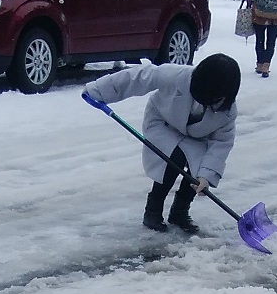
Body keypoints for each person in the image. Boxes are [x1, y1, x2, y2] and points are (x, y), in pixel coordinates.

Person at [87, 52, 241, 234]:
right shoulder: (176, 76)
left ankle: (180, 211)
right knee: (172, 157)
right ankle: (153, 209)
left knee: (198, 169)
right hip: (164, 122)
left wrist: (205, 176)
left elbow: (221, 144)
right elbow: (138, 78)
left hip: (198, 138)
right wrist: (98, 90)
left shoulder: (228, 112)